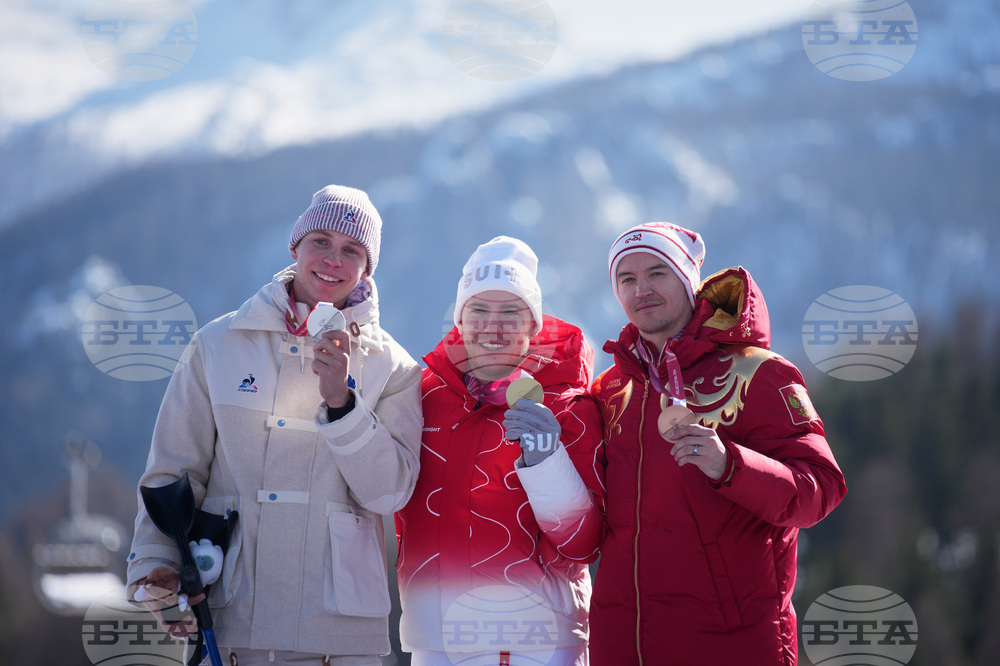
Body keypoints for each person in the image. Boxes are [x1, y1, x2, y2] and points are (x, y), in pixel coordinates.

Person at [126, 185, 423, 665]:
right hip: (230, 620)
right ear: (295, 247)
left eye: (352, 250)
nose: (333, 259)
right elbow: (173, 471)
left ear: (367, 269)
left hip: (338, 635)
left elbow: (389, 494)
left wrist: (343, 405)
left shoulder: (395, 369)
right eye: (321, 241)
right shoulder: (217, 345)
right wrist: (155, 568)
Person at [589, 222, 847, 665]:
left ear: (688, 281)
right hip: (624, 646)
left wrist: (732, 466)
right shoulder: (610, 390)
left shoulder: (758, 372)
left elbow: (820, 489)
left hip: (733, 645)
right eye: (626, 279)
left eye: (657, 273)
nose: (641, 290)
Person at [395, 236, 606, 665]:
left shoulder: (569, 406)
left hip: (536, 643)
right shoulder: (421, 396)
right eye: (478, 310)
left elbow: (584, 545)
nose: (493, 327)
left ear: (533, 326)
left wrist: (546, 463)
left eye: (511, 312)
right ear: (460, 321)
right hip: (435, 642)